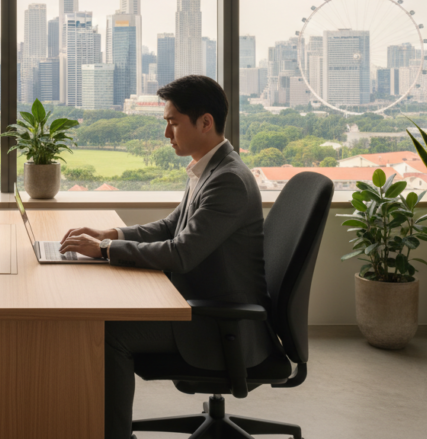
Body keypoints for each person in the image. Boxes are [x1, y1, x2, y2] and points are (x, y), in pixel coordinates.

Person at [59, 75, 273, 439]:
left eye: (173, 123)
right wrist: (111, 235)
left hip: (221, 325)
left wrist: (106, 251)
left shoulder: (228, 181)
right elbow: (172, 225)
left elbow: (181, 252)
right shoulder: (210, 168)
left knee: (111, 334)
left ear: (205, 122)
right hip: (199, 302)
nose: (166, 134)